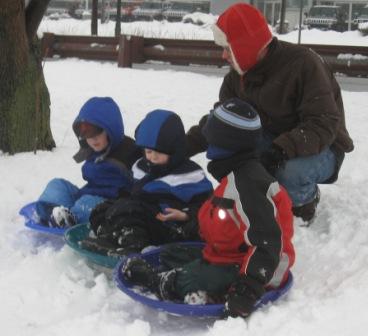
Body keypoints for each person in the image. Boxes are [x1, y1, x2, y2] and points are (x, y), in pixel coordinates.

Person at [121, 98, 295, 319]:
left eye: (210, 139)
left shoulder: (248, 184)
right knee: (175, 253)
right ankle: (193, 280)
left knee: (196, 276)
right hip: (230, 253)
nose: (207, 145)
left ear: (226, 143)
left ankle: (165, 283)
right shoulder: (234, 174)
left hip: (257, 269)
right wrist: (189, 219)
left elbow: (267, 242)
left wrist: (247, 289)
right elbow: (224, 218)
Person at [186, 3, 354, 225]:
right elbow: (222, 122)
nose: (224, 55)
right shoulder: (238, 76)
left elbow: (324, 123)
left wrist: (280, 149)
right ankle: (252, 199)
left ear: (246, 46)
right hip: (271, 141)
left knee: (290, 172)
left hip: (323, 147)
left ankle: (302, 204)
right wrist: (183, 145)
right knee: (229, 154)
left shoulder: (303, 65)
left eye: (228, 48)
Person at [81, 109, 213, 256]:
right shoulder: (143, 166)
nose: (153, 158)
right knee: (102, 209)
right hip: (143, 216)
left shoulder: (190, 175)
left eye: (159, 152)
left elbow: (207, 208)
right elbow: (135, 191)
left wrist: (186, 215)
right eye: (149, 152)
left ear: (175, 150)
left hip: (171, 227)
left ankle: (135, 248)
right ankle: (109, 237)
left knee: (128, 211)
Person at [35, 97, 141, 228]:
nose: (93, 139)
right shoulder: (92, 150)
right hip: (87, 194)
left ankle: (70, 221)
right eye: (86, 134)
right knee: (57, 185)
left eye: (97, 132)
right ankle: (54, 212)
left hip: (110, 206)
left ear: (111, 129)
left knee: (86, 205)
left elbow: (141, 182)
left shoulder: (129, 151)